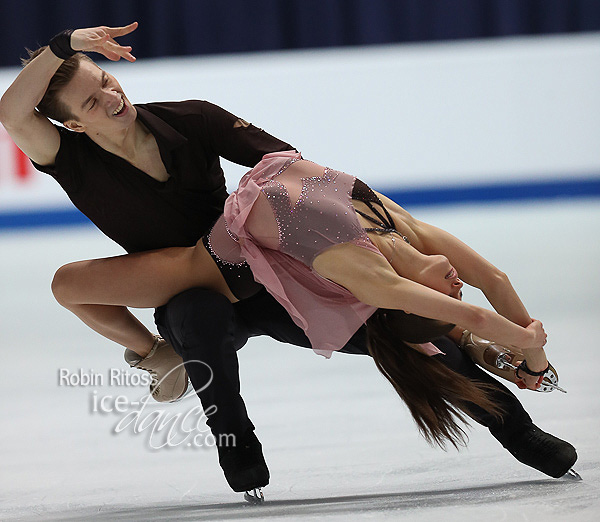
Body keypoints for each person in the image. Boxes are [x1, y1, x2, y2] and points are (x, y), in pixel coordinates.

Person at [0, 22, 576, 496]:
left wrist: (359, 228)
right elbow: (11, 112)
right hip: (188, 290)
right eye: (92, 100)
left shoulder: (191, 118)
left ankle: (524, 436)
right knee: (196, 321)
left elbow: (286, 166)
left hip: (273, 277)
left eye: (106, 80)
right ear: (73, 122)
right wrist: (64, 46)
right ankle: (193, 394)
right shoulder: (65, 156)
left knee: (408, 338)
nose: (111, 96)